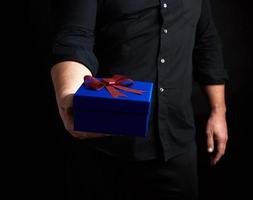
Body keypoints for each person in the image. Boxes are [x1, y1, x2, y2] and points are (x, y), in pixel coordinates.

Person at [51, 0, 228, 199]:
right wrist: (69, 96)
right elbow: (75, 37)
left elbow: (207, 41)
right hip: (106, 149)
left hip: (177, 144)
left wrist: (218, 111)